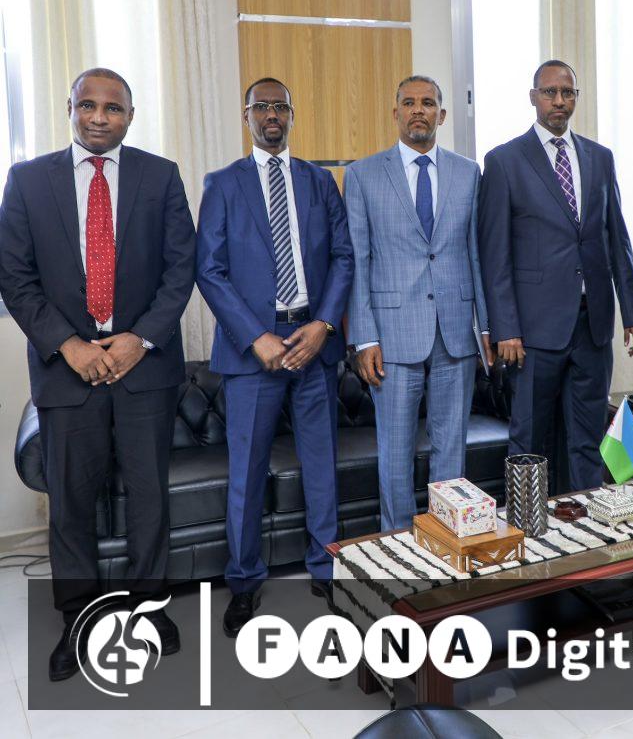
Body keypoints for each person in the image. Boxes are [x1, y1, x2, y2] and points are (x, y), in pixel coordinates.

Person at [0, 68, 195, 681]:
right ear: (70, 108)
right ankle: (77, 619)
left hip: (145, 368)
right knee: (71, 504)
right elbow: (14, 277)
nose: (99, 117)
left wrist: (139, 339)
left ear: (130, 116)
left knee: (149, 498)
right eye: (88, 105)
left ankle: (148, 609)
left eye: (113, 108)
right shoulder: (27, 181)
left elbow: (181, 269)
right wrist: (69, 346)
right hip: (66, 374)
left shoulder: (161, 177)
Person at [196, 77, 353, 637]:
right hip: (253, 353)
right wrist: (254, 337)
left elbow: (343, 256)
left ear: (291, 114)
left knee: (321, 464)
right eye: (260, 106)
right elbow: (209, 270)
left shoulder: (319, 181)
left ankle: (326, 569)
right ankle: (243, 581)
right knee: (247, 471)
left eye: (279, 107)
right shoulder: (223, 184)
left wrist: (323, 325)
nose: (270, 115)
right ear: (246, 116)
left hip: (313, 343)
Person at [478, 60, 633, 493]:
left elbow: (617, 238)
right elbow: (494, 255)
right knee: (528, 441)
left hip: (592, 325)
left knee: (589, 439)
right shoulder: (504, 161)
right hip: (533, 332)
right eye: (550, 92)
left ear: (575, 98)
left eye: (567, 93)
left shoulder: (599, 158)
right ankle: (525, 528)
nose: (559, 101)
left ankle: (586, 524)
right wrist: (505, 328)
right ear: (533, 97)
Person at [344, 76, 491, 531]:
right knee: (395, 453)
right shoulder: (363, 175)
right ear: (396, 113)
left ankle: (448, 543)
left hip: (455, 333)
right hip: (390, 337)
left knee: (452, 452)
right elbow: (358, 260)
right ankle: (398, 547)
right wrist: (363, 337)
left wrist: (485, 327)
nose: (418, 110)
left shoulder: (468, 172)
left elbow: (475, 254)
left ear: (441, 115)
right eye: (408, 103)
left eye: (428, 103)